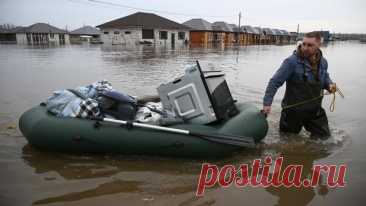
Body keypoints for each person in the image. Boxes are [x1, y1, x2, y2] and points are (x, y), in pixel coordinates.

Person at [262, 31, 337, 139]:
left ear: (319, 45)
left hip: (314, 110)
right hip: (293, 112)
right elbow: (274, 82)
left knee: (325, 139)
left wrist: (330, 85)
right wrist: (267, 104)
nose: (305, 48)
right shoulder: (291, 62)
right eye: (304, 44)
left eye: (310, 45)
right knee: (287, 141)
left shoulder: (323, 62)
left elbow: (325, 77)